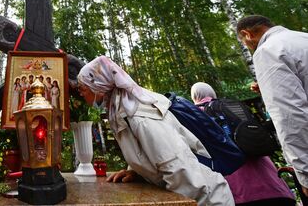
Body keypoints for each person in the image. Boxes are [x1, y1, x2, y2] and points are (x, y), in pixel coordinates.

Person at [77, 56, 234, 206]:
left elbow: (180, 171)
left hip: (206, 199)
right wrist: (137, 172)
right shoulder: (122, 111)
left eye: (83, 88)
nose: (80, 93)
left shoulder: (141, 116)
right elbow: (150, 152)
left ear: (99, 86)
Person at [237, 15, 308, 197]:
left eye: (244, 42)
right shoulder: (302, 37)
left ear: (247, 34)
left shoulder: (267, 51)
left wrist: (304, 173)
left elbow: (290, 115)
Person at [191, 82, 295, 206]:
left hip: (239, 193)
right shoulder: (231, 108)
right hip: (274, 187)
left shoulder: (195, 114)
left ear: (194, 96)